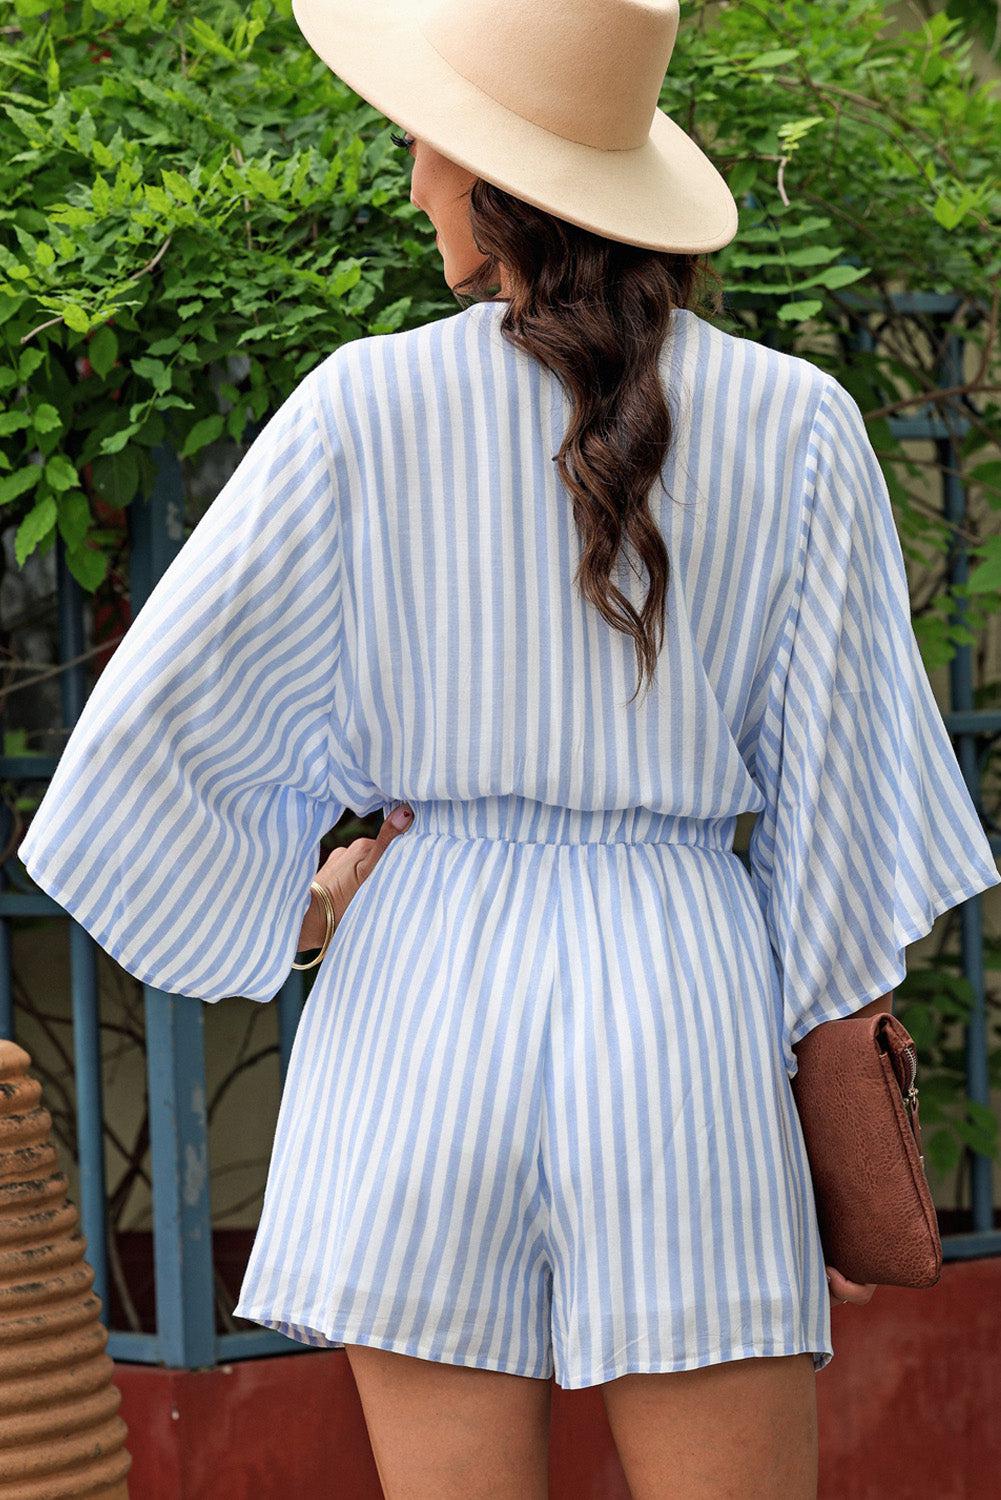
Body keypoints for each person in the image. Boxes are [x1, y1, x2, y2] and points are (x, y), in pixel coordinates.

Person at [18, 1, 1000, 1495]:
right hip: (679, 1000)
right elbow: (844, 808)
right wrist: (830, 1131)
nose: (411, 174)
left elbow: (141, 747)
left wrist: (306, 901)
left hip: (420, 998)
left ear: (485, 180)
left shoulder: (363, 407)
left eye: (426, 140)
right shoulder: (795, 424)